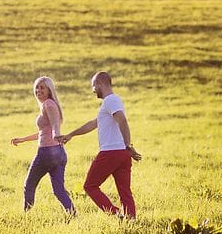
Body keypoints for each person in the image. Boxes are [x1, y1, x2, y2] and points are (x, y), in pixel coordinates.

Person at [56, 71, 142, 218]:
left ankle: (116, 215)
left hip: (110, 152)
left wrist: (128, 145)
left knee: (90, 186)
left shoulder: (110, 101)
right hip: (121, 153)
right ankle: (130, 220)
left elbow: (122, 120)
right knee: (124, 191)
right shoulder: (111, 103)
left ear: (101, 84)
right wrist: (71, 135)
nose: (93, 90)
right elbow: (93, 124)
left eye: (93, 86)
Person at [10, 76, 75, 214]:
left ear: (49, 90)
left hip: (47, 153)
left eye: (42, 87)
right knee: (58, 190)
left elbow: (54, 125)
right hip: (59, 153)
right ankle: (72, 214)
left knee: (29, 185)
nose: (38, 90)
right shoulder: (50, 104)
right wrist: (22, 139)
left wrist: (57, 133)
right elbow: (43, 132)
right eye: (37, 87)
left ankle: (26, 215)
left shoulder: (48, 104)